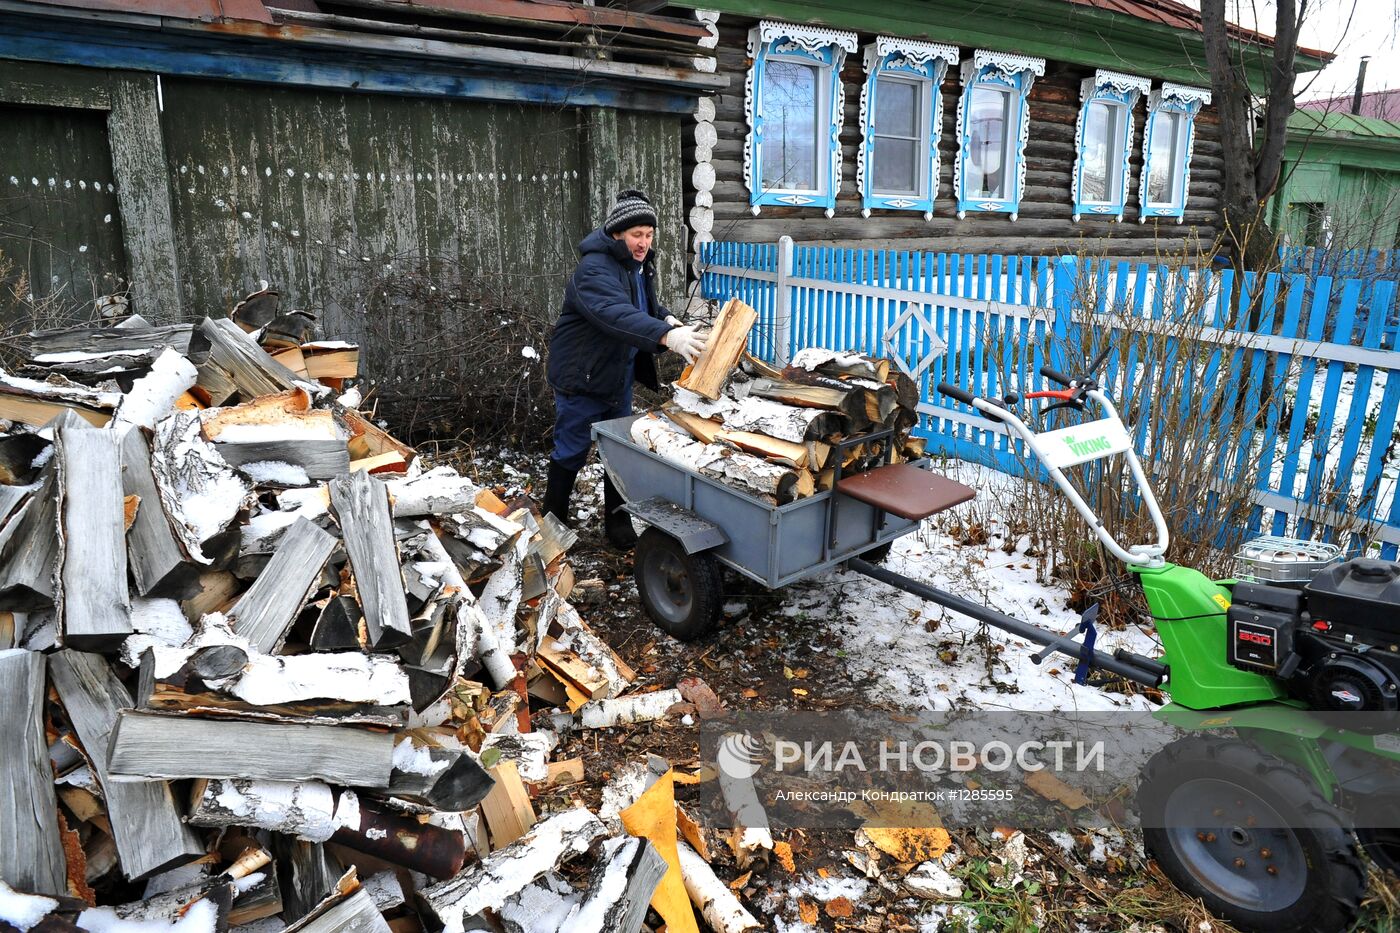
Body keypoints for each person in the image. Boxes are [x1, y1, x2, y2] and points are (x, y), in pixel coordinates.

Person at [542, 189, 707, 547]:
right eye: (636, 235)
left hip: (617, 376)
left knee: (618, 451)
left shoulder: (637, 266)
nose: (644, 242)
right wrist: (665, 336)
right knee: (570, 451)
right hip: (581, 377)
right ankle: (552, 528)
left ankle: (617, 527)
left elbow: (643, 305)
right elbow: (616, 314)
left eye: (649, 235)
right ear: (617, 233)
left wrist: (665, 316)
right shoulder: (593, 269)